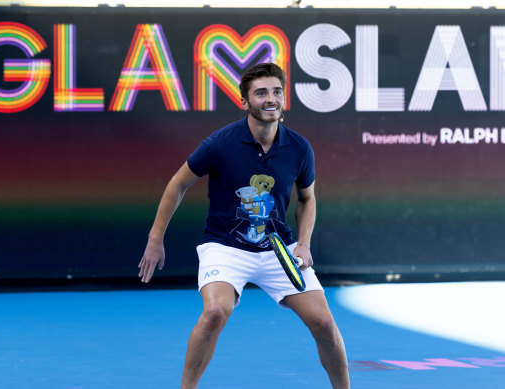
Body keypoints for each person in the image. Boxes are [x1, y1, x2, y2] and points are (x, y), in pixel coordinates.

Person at [138, 63, 350, 389]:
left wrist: (304, 243)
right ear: (245, 101)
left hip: (280, 250)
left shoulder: (299, 148)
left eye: (277, 91)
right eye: (261, 92)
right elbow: (177, 184)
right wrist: (156, 238)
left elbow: (307, 199)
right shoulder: (220, 143)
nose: (271, 99)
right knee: (214, 314)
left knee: (324, 322)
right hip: (225, 246)